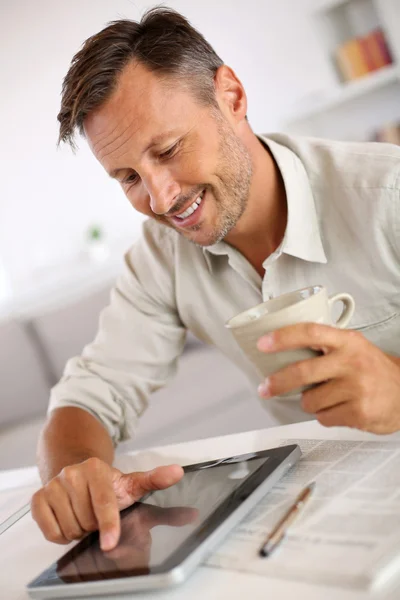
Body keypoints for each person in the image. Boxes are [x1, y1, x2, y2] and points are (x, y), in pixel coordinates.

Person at [32, 7, 400, 552]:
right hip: (319, 511)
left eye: (168, 150)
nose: (160, 199)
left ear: (231, 96)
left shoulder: (386, 196)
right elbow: (89, 398)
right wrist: (77, 478)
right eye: (129, 177)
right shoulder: (162, 258)